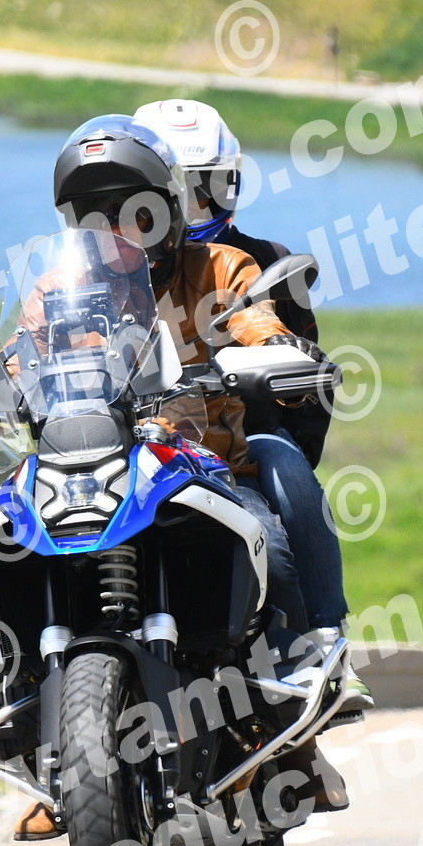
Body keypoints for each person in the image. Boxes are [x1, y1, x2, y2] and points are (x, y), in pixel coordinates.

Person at [13, 114, 348, 841]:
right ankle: (31, 720)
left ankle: (296, 700)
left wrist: (275, 349)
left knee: (270, 536)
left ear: (168, 207)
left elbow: (255, 319)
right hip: (98, 461)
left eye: (133, 210)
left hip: (206, 464)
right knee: (8, 530)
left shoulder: (221, 267)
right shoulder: (59, 288)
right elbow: (22, 353)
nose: (118, 229)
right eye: (97, 215)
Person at [131, 99, 368, 708]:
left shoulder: (254, 259)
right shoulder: (104, 271)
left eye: (210, 188)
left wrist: (280, 374)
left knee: (287, 468)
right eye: (184, 191)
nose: (198, 206)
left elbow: (303, 360)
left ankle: (324, 641)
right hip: (128, 438)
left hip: (243, 432)